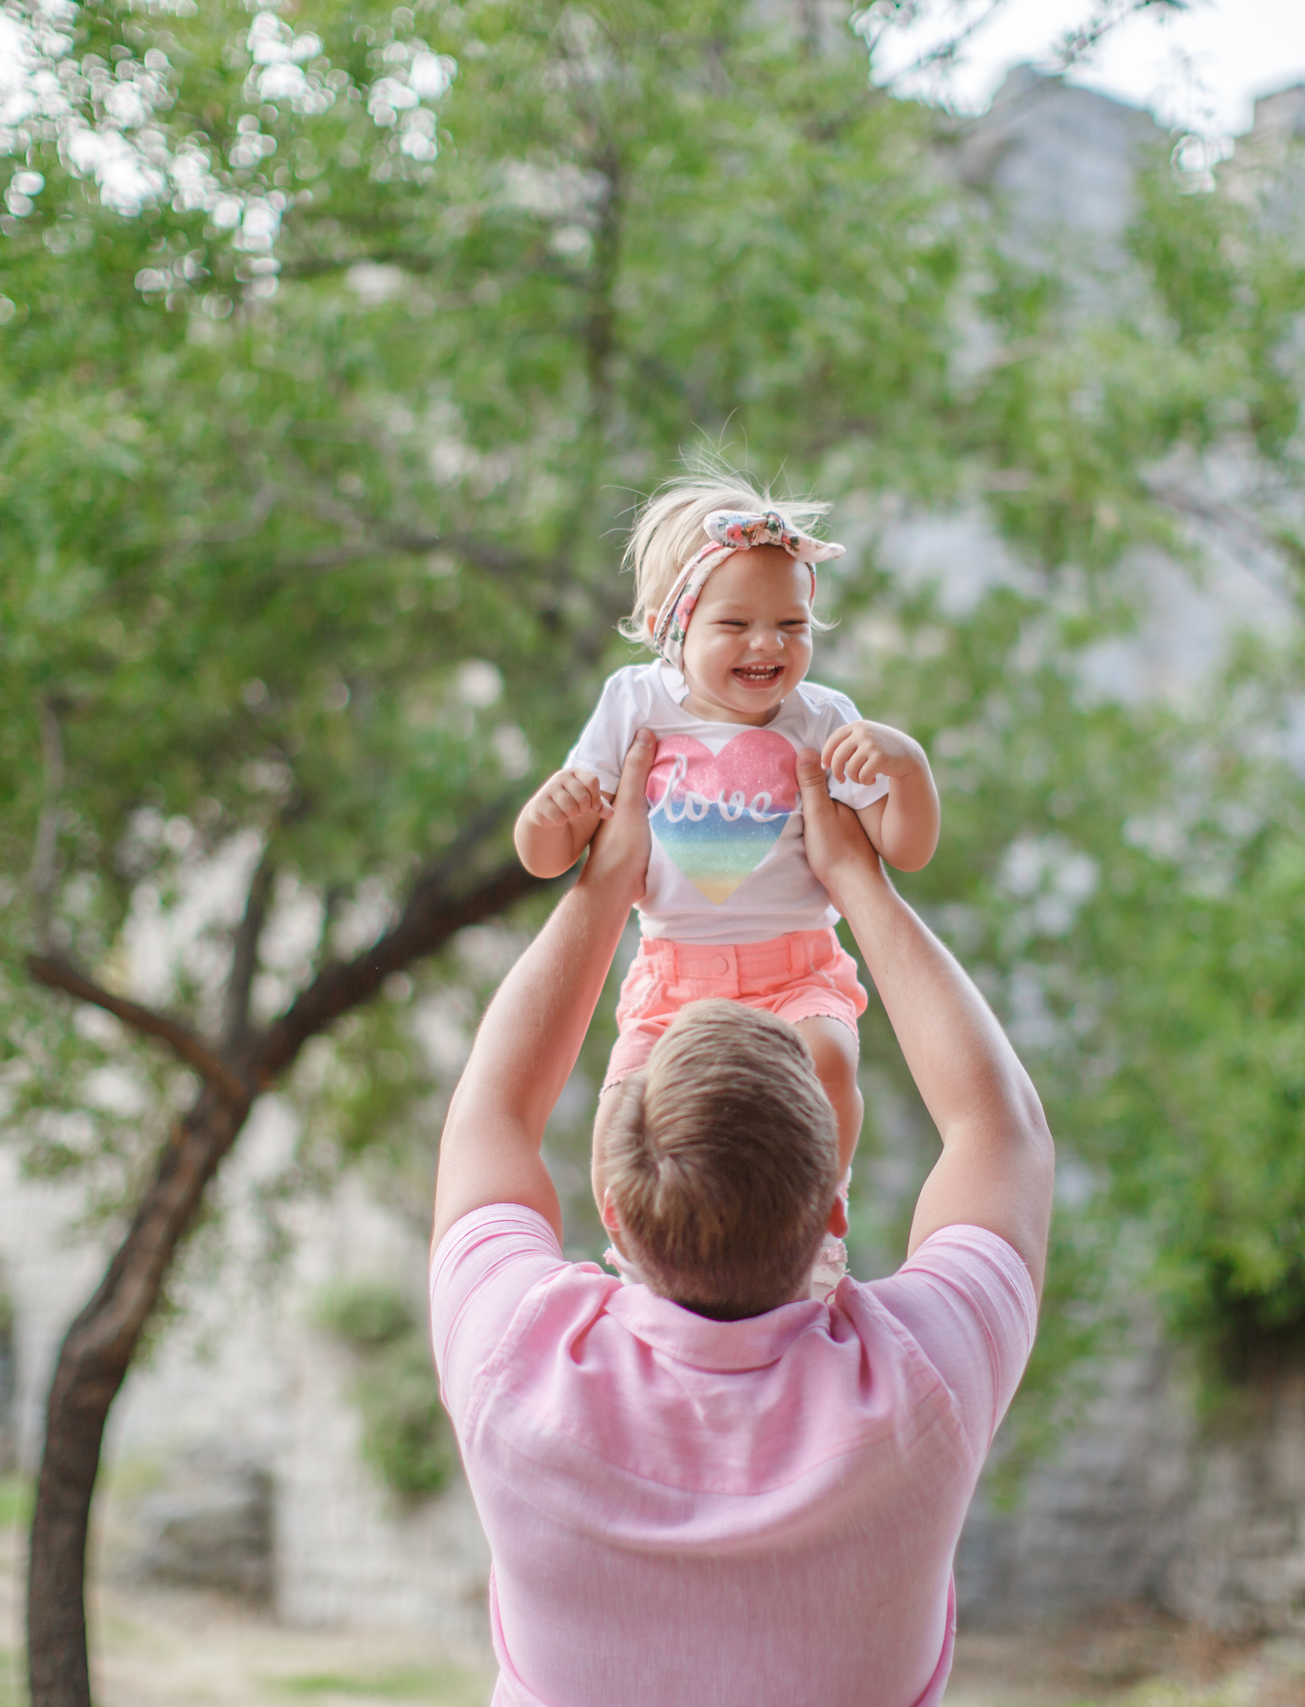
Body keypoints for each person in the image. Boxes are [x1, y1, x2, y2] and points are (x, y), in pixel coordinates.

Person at [432, 726, 1054, 1707]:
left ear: (611, 1204)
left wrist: (602, 889)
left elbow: (490, 1113)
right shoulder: (921, 1383)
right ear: (834, 1199)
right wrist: (858, 880)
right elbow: (1000, 1129)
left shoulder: (517, 1366)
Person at [512, 472, 942, 1297]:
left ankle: (817, 1212)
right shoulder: (634, 703)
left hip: (796, 968)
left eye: (792, 624)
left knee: (827, 1059)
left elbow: (904, 848)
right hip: (677, 977)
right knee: (623, 1121)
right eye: (736, 624)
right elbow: (547, 855)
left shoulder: (821, 717)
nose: (769, 646)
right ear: (666, 629)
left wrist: (908, 769)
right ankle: (644, 1261)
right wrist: (549, 812)